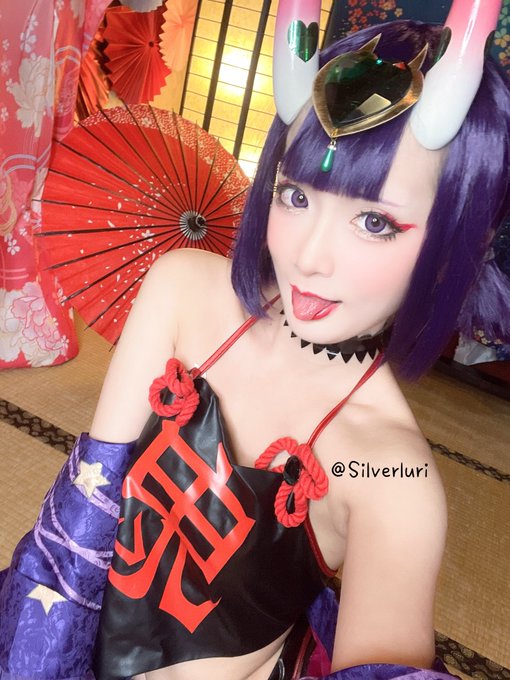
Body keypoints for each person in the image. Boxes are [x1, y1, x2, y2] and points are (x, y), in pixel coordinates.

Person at [1, 2, 509, 679]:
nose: (309, 258)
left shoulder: (391, 477)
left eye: (374, 223)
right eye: (295, 196)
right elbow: (76, 529)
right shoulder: (181, 289)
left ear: (455, 242)